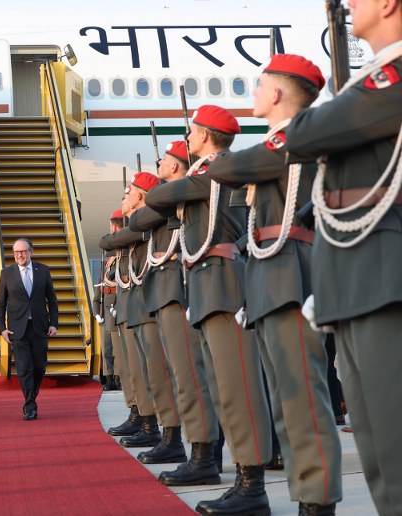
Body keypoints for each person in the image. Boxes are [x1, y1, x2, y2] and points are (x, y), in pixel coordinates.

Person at [207, 54, 342, 515]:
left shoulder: (295, 137)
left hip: (290, 273)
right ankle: (300, 497)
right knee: (286, 402)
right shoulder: (282, 141)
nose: (255, 92)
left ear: (280, 93)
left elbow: (225, 169)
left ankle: (317, 503)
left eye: (261, 84)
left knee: (303, 401)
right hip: (270, 273)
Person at [285, 2, 402, 512]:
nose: (350, 4)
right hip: (356, 277)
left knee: (395, 451)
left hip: (383, 275)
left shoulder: (393, 76)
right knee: (377, 455)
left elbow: (304, 133)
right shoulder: (371, 80)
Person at [146, 105, 273, 516]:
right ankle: (235, 474)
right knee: (220, 387)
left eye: (191, 132)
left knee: (237, 388)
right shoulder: (206, 174)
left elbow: (157, 196)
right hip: (205, 281)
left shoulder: (214, 170)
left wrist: (183, 176)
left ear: (203, 136)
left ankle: (252, 485)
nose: (187, 138)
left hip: (222, 280)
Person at [130, 141, 221, 484]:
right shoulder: (177, 193)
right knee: (180, 378)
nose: (159, 162)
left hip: (180, 292)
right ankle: (190, 448)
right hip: (169, 292)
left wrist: (154, 191)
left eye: (165, 160)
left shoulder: (187, 189)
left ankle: (202, 454)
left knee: (191, 378)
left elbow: (139, 219)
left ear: (179, 167)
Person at [123, 173, 184, 463]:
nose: (125, 198)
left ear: (140, 196)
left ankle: (173, 438)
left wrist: (147, 201)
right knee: (146, 375)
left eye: (129, 193)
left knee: (165, 376)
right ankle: (157, 430)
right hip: (147, 299)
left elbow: (127, 231)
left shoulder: (160, 207)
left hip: (164, 295)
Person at [99, 205, 155, 446]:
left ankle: (148, 422)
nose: (113, 229)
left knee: (140, 371)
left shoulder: (138, 233)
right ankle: (135, 413)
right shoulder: (118, 254)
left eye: (117, 223)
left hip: (137, 310)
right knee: (127, 369)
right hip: (122, 311)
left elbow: (107, 241)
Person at [0, 237, 58, 420]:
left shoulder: (43, 270)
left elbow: (52, 300)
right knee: (24, 368)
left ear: (31, 252)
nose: (19, 255)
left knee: (39, 366)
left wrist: (53, 323)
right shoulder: (7, 273)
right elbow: (0, 303)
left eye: (22, 252)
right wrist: (2, 328)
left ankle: (32, 395)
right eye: (16, 252)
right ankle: (29, 404)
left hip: (39, 327)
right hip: (17, 329)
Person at [92, 250, 118, 390]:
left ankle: (118, 378)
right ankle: (108, 378)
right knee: (106, 350)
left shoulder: (120, 273)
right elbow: (96, 299)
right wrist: (97, 314)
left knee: (118, 350)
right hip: (105, 317)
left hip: (116, 315)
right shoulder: (103, 276)